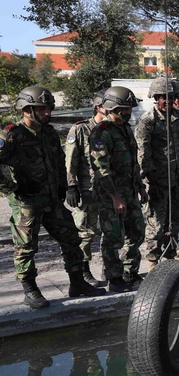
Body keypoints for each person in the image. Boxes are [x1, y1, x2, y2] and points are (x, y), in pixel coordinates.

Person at [0, 86, 105, 308]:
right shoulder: (12, 135)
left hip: (53, 199)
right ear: (27, 109)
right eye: (42, 109)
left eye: (49, 108)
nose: (47, 113)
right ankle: (30, 289)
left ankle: (77, 283)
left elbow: (59, 161)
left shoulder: (48, 133)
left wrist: (65, 187)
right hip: (27, 202)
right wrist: (11, 187)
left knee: (71, 238)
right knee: (26, 246)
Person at [135, 77, 179, 269]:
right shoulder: (148, 121)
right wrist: (149, 179)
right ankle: (153, 262)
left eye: (171, 97)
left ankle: (170, 258)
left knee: (175, 222)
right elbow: (142, 152)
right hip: (158, 181)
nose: (168, 101)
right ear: (155, 98)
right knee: (156, 224)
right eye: (163, 98)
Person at [90, 86, 147, 292]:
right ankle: (114, 278)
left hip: (129, 191)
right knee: (113, 236)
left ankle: (129, 272)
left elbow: (133, 163)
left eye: (129, 108)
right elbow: (100, 169)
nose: (128, 112)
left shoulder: (125, 129)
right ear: (112, 108)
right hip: (110, 195)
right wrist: (115, 197)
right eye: (124, 108)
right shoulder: (102, 133)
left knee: (138, 231)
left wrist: (140, 187)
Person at [64, 89, 108, 288]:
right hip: (85, 190)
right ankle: (83, 272)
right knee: (85, 232)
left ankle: (109, 268)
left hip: (103, 189)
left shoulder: (109, 130)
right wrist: (71, 185)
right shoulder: (81, 130)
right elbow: (70, 160)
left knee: (106, 230)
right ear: (99, 107)